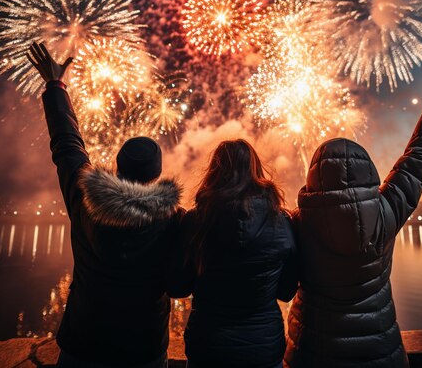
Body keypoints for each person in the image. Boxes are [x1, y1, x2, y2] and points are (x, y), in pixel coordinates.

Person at [285, 55, 422, 367]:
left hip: (313, 354)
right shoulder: (388, 211)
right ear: (368, 171)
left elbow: (283, 282)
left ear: (314, 177)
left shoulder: (297, 225)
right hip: (379, 353)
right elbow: (420, 154)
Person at [26, 42, 183, 368]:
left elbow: (67, 145)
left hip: (84, 341)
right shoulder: (172, 219)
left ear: (118, 166)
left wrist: (56, 86)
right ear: (156, 175)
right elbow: (180, 280)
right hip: (143, 347)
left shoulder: (86, 198)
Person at [167, 139, 298, 368]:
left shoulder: (195, 221)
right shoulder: (282, 222)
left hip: (208, 346)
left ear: (214, 172)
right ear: (256, 170)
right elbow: (287, 292)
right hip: (263, 348)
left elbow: (178, 287)